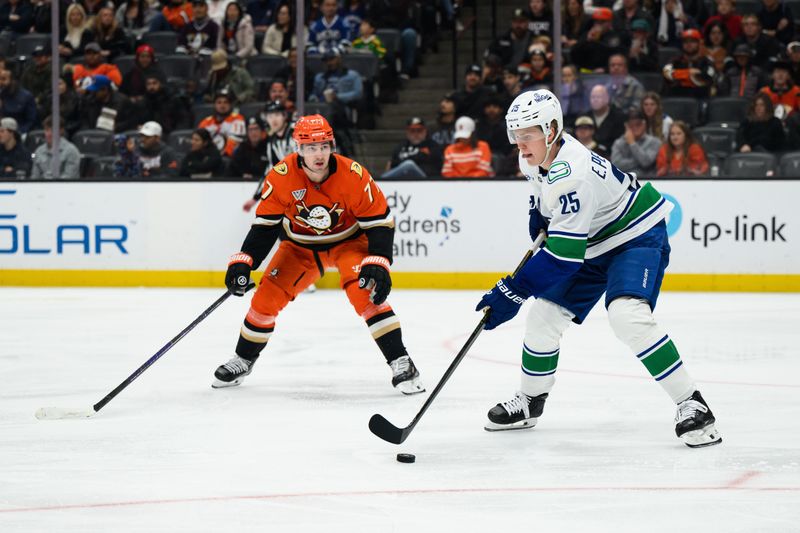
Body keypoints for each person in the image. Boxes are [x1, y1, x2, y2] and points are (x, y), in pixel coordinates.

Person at [475, 88, 722, 448]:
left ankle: (693, 404)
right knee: (543, 318)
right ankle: (530, 401)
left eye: (527, 136)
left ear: (551, 130)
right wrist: (541, 217)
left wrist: (512, 291)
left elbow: (562, 257)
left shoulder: (571, 171)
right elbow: (545, 208)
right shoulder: (532, 159)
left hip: (635, 235)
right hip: (593, 242)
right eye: (516, 136)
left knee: (627, 315)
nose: (521, 145)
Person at [212, 114, 426, 395]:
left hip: (349, 243)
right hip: (299, 247)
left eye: (324, 146)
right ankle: (243, 359)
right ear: (298, 149)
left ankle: (401, 361)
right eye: (311, 148)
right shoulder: (281, 176)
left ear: (332, 145)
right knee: (265, 299)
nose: (319, 154)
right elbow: (265, 227)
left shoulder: (353, 175)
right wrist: (245, 260)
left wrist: (379, 261)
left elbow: (380, 223)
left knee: (366, 295)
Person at [244, 100, 294, 211]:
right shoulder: (272, 142)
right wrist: (255, 198)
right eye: (270, 116)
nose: (273, 119)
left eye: (277, 115)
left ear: (284, 116)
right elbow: (271, 171)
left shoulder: (296, 132)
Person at [662, 29, 716, 98]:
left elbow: (709, 76)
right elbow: (666, 73)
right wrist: (689, 73)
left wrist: (680, 78)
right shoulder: (675, 61)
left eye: (693, 41)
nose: (689, 44)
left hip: (700, 99)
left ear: (699, 43)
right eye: (685, 42)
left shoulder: (707, 62)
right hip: (678, 99)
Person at [611, 107, 661, 177]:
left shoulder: (654, 142)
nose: (634, 127)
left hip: (647, 182)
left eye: (638, 124)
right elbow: (616, 165)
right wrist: (639, 162)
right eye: (631, 125)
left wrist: (632, 143)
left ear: (644, 124)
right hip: (624, 183)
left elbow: (646, 162)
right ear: (626, 126)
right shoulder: (618, 143)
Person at [30, 115, 82, 180]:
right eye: (46, 130)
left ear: (61, 131)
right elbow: (34, 177)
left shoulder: (71, 151)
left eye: (52, 130)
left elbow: (69, 178)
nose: (48, 134)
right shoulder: (38, 151)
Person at [198, 89, 247, 157]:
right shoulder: (206, 122)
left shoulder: (237, 118)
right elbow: (199, 143)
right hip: (208, 157)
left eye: (225, 102)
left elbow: (235, 142)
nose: (222, 105)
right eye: (219, 102)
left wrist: (218, 156)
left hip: (229, 158)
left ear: (230, 105)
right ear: (214, 105)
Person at [589, 84, 626, 156]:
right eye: (593, 97)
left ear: (607, 98)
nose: (595, 100)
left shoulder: (619, 118)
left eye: (598, 97)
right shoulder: (585, 117)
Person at [0, 68, 37, 134]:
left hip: (20, 132)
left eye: (3, 79)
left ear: (12, 80)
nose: (0, 82)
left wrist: (19, 133)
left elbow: (31, 121)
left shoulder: (26, 96)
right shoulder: (1, 95)